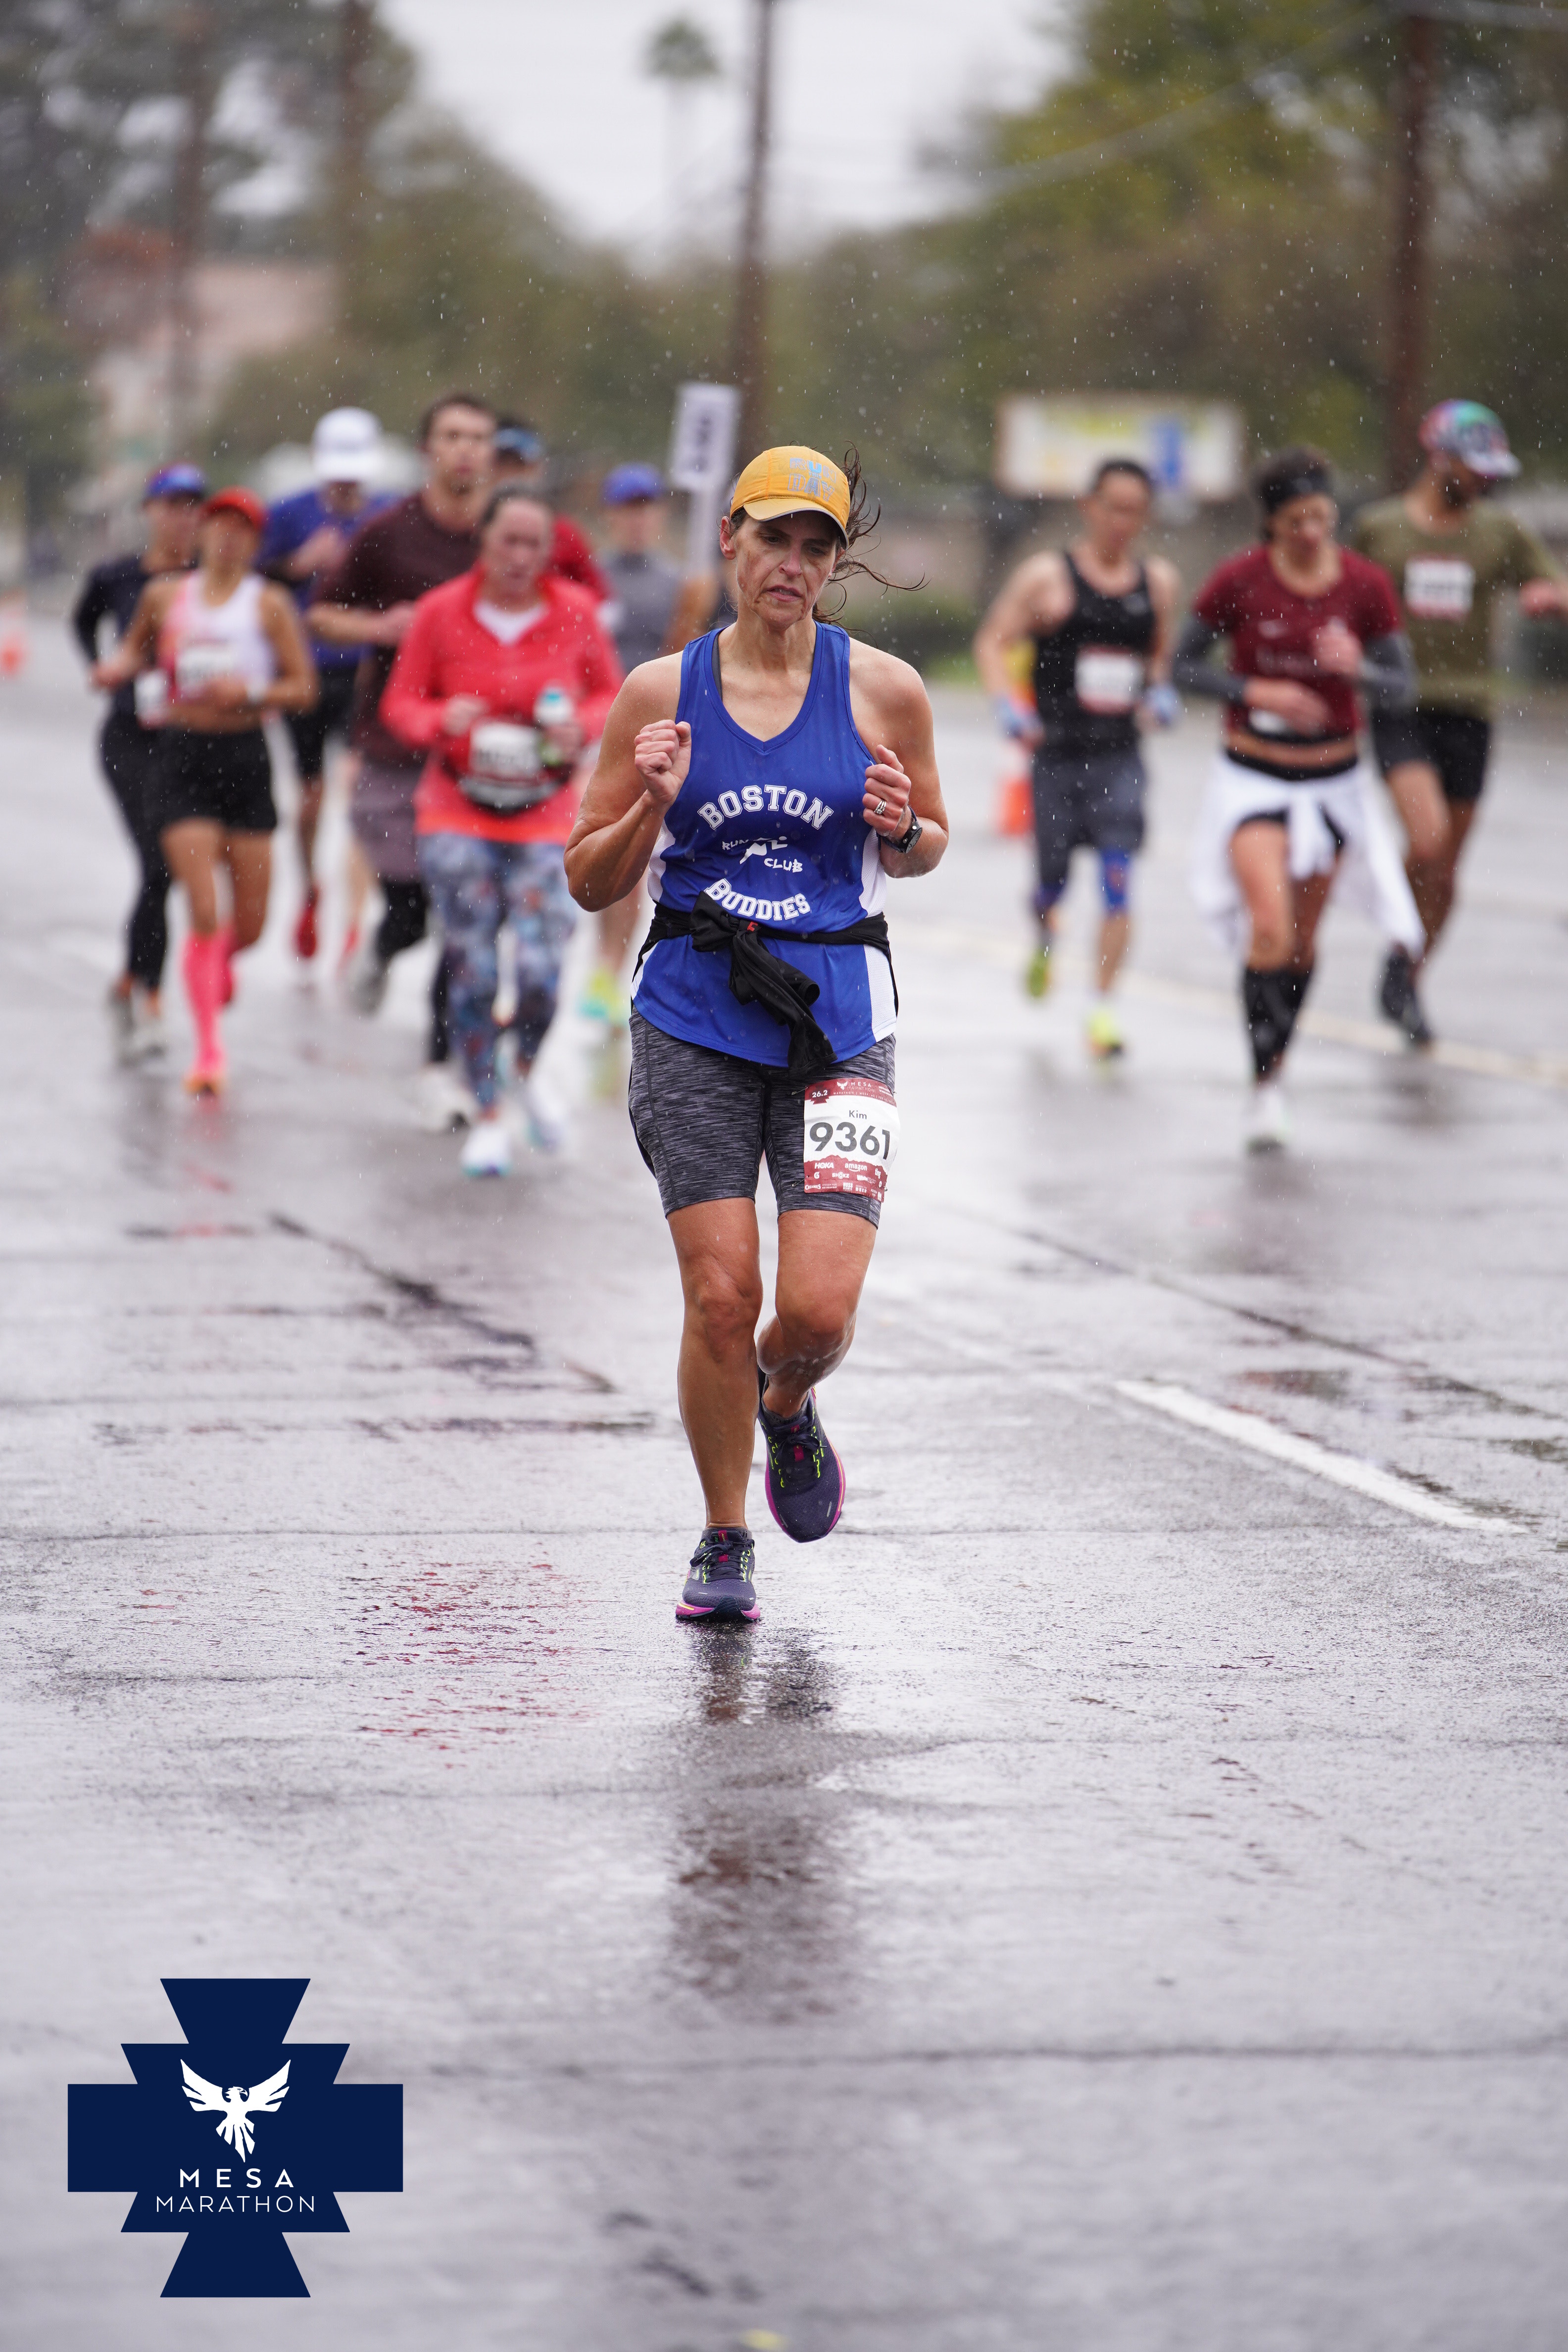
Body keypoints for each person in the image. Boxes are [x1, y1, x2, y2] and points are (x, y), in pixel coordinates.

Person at [566, 445, 948, 1624]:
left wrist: (905, 828)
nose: (792, 563)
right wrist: (649, 803)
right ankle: (724, 1533)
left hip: (841, 1020)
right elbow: (588, 877)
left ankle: (785, 1403)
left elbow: (925, 844)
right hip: (694, 1013)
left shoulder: (884, 690)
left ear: (835, 563)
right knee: (723, 1296)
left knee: (818, 1313)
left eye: (815, 546)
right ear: (729, 537)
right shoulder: (658, 692)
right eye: (773, 538)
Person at [1175, 447, 1421, 1151]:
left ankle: (1276, 1067)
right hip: (1255, 779)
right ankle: (1263, 1087)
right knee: (1271, 933)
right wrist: (1256, 690)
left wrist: (1359, 669)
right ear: (1272, 524)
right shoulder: (1240, 580)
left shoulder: (1365, 585)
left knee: (1305, 945)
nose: (1311, 533)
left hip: (1334, 784)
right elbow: (1181, 665)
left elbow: (1402, 688)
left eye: (1320, 517)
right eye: (1295, 522)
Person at [380, 485, 621, 1176]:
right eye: (508, 541)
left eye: (533, 544)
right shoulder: (440, 612)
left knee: (543, 970)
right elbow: (401, 703)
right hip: (457, 810)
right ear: (483, 541)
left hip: (544, 812)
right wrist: (439, 720)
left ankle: (519, 1077)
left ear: (549, 550)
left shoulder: (575, 613)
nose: (520, 556)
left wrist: (581, 725)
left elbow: (611, 693)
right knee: (475, 968)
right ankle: (488, 1108)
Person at [1351, 400, 1568, 1046]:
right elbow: (1338, 595)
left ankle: (1406, 974)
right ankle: (1400, 936)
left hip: (1470, 710)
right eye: (1475, 467)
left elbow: (1552, 584)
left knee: (1446, 872)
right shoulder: (1379, 529)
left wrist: (1548, 597)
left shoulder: (1501, 533)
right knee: (1427, 842)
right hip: (1400, 702)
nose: (1484, 480)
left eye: (1491, 470)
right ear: (1439, 457)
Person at [309, 391, 495, 1130]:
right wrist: (381, 626)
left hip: (479, 756)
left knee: (463, 914)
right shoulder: (389, 534)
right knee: (415, 911)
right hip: (394, 748)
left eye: (477, 438)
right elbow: (322, 614)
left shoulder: (505, 538)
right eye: (452, 436)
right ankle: (383, 949)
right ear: (428, 449)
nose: (465, 450)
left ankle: (439, 1066)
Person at [96, 489, 317, 1093]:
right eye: (219, 525)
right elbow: (134, 650)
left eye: (241, 530)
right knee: (203, 907)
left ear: (256, 542)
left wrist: (250, 692)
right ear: (202, 534)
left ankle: (217, 962)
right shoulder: (166, 597)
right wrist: (114, 669)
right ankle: (209, 1054)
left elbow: (303, 689)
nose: (228, 538)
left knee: (249, 926)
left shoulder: (268, 605)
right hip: (183, 756)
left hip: (245, 757)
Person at [973, 457, 1180, 1056]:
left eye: (1135, 511)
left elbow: (1156, 657)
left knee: (1119, 880)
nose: (1123, 522)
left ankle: (1101, 1013)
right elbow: (992, 642)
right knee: (1052, 883)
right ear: (1090, 506)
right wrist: (1008, 707)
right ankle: (1044, 932)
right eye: (1113, 508)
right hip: (1059, 757)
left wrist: (1159, 692)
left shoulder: (1157, 582)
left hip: (1120, 756)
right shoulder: (1049, 578)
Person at [72, 462, 206, 1061]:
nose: (182, 518)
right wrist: (99, 668)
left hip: (191, 739)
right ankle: (149, 996)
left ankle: (130, 981)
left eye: (192, 506)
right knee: (158, 864)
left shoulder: (212, 579)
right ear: (150, 511)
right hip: (131, 734)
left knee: (169, 870)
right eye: (171, 505)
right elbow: (83, 621)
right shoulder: (118, 575)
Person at [259, 407, 392, 961]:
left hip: (368, 672)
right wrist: (298, 564)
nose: (345, 484)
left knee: (361, 794)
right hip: (306, 674)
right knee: (311, 799)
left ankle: (356, 920)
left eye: (354, 474)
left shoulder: (388, 514)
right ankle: (310, 888)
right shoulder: (288, 513)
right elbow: (252, 585)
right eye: (338, 473)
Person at [581, 462, 686, 1030]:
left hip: (654, 736)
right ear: (610, 516)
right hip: (594, 735)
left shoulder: (681, 585)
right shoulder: (589, 581)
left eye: (647, 508)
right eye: (628, 509)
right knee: (599, 849)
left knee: (637, 854)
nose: (638, 520)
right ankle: (601, 957)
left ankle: (609, 968)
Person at [492, 418, 606, 597]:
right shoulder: (465, 526)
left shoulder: (565, 534)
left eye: (520, 466)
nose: (511, 476)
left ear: (538, 469)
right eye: (503, 465)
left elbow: (598, 602)